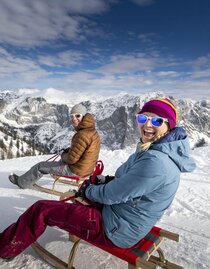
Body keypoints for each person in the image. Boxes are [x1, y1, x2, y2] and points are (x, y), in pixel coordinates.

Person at [0, 98, 196, 260]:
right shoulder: (156, 151)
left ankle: (4, 249)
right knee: (81, 199)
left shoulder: (156, 162)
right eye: (143, 117)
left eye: (156, 121)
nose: (147, 125)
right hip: (124, 218)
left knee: (41, 209)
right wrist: (106, 180)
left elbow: (112, 195)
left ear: (169, 126)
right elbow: (130, 184)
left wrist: (88, 191)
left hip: (115, 229)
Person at [8, 103, 100, 189]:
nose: (74, 119)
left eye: (77, 116)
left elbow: (72, 159)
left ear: (84, 116)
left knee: (40, 167)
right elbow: (84, 150)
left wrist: (63, 155)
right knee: (59, 162)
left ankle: (21, 183)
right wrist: (69, 150)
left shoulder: (82, 135)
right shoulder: (92, 131)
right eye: (72, 116)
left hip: (76, 170)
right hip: (88, 169)